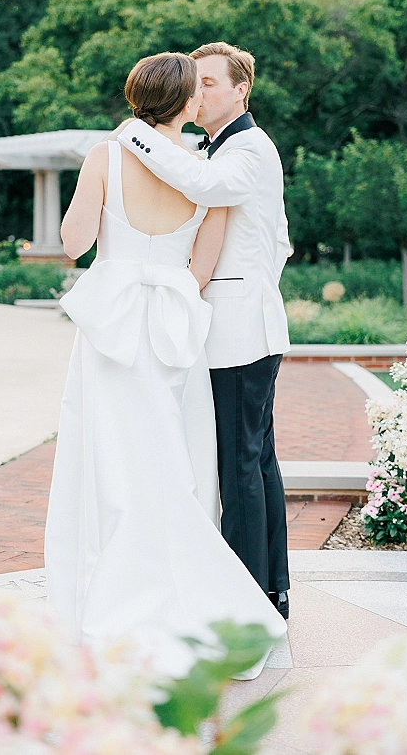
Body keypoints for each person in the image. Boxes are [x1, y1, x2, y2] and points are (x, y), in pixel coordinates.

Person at [45, 52, 287, 679]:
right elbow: (200, 272)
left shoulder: (108, 154)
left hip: (112, 323)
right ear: (186, 105)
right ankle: (204, 595)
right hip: (175, 326)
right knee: (178, 463)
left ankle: (105, 597)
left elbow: (74, 245)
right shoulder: (209, 171)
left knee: (105, 462)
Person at [117, 42, 291, 619]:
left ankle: (245, 602)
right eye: (198, 83)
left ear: (242, 89)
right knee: (254, 460)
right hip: (246, 322)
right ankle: (270, 590)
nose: (201, 91)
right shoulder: (224, 148)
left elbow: (205, 187)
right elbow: (281, 239)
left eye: (211, 83)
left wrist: (134, 132)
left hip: (240, 328)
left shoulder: (247, 148)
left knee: (239, 465)